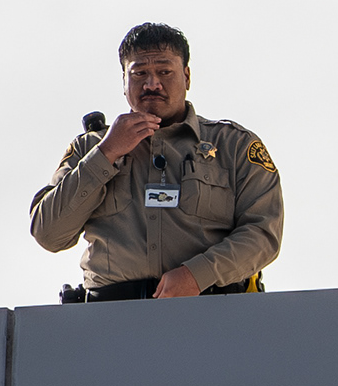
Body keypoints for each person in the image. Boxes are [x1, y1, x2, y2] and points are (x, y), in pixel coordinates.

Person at [31, 22, 285, 298]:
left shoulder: (233, 145)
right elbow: (48, 234)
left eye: (165, 71)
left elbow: (263, 233)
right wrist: (107, 154)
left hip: (211, 313)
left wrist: (198, 275)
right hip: (111, 320)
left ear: (187, 76)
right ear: (124, 82)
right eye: (139, 73)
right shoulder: (90, 148)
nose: (152, 84)